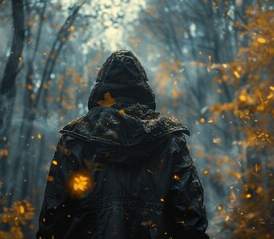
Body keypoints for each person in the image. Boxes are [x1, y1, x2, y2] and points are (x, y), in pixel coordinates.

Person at [37, 50, 208, 239]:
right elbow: (191, 217)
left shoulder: (75, 139)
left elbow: (53, 217)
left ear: (101, 89)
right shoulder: (169, 140)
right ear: (142, 89)